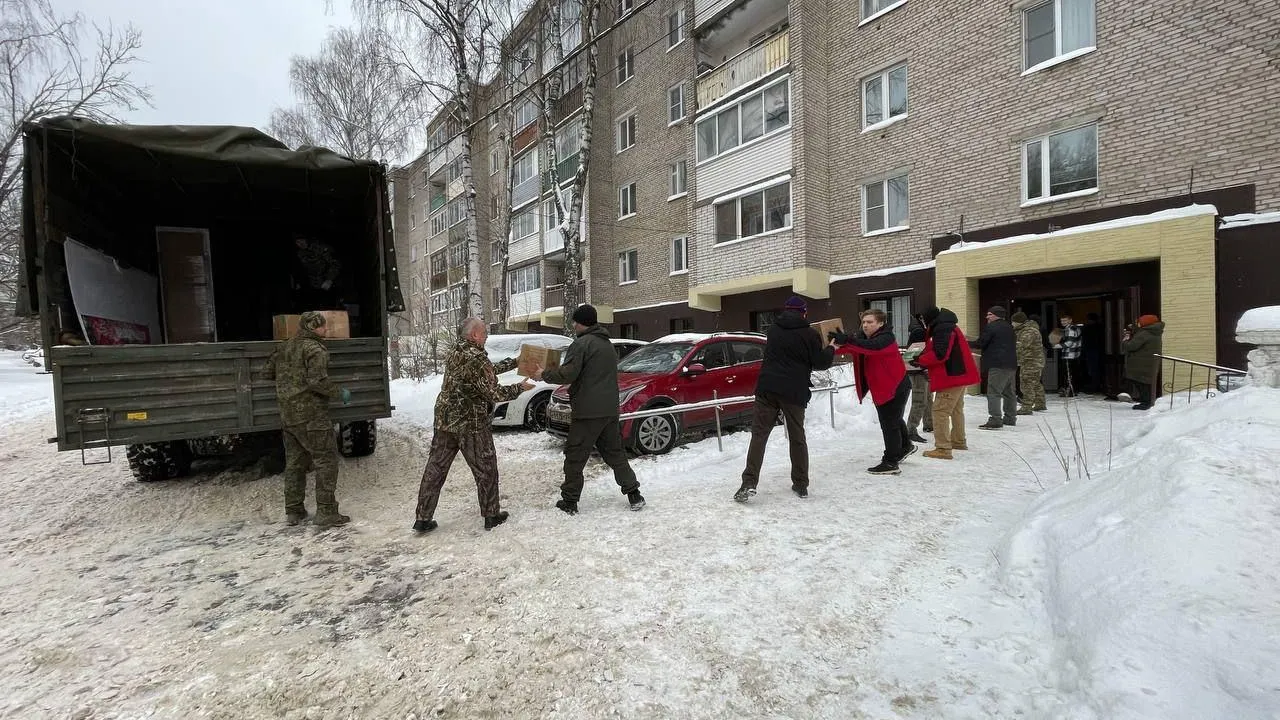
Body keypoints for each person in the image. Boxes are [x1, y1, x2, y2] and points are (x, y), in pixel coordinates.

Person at [414, 318, 534, 533]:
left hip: (445, 420)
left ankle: (423, 518)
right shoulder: (477, 357)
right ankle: (491, 515)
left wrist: (515, 362)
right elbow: (493, 392)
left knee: (435, 469)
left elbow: (482, 374)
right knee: (486, 469)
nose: (487, 335)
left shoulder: (456, 350)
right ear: (475, 335)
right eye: (484, 332)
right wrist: (521, 387)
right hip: (471, 423)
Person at [532, 304, 645, 514]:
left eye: (575, 321)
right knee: (615, 453)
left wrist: (544, 374)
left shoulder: (582, 344)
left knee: (575, 456)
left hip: (587, 412)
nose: (573, 325)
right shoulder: (607, 344)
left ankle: (569, 501)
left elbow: (569, 374)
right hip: (610, 410)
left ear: (583, 322)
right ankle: (634, 494)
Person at [734, 295, 835, 501]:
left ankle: (748, 483)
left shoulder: (773, 330)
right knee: (797, 437)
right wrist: (832, 347)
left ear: (785, 310)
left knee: (759, 436)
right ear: (804, 312)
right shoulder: (810, 334)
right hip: (793, 391)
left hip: (767, 388)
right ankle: (800, 484)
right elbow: (820, 362)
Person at [263, 311, 353, 526]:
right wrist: (338, 392)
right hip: (312, 416)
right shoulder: (315, 349)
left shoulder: (283, 347)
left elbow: (267, 373)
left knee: (295, 463)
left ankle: (294, 511)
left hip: (288, 416)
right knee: (326, 461)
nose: (326, 330)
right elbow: (316, 381)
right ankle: (327, 512)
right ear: (314, 328)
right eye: (323, 326)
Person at [831, 309, 913, 475]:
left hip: (894, 387)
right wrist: (832, 346)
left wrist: (847, 339)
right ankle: (905, 447)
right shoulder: (865, 339)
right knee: (894, 420)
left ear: (881, 323)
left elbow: (871, 348)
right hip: (884, 387)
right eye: (864, 322)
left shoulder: (886, 338)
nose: (866, 325)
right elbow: (856, 348)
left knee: (889, 424)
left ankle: (890, 462)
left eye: (870, 322)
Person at [912, 306, 979, 460]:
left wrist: (920, 360)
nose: (922, 322)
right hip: (959, 375)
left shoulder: (942, 328)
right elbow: (938, 349)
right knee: (956, 409)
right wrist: (922, 357)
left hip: (951, 376)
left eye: (922, 319)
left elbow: (940, 354)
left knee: (940, 411)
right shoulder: (947, 325)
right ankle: (958, 441)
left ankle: (943, 448)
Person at [972, 305, 1018, 430]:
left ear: (996, 315)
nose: (987, 317)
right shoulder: (1009, 327)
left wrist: (965, 342)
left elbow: (980, 343)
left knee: (993, 392)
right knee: (1009, 392)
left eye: (989, 314)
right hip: (1011, 364)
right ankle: (1010, 417)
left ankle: (995, 419)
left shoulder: (991, 327)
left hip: (997, 365)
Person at [1122, 314, 1164, 410]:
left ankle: (1145, 403)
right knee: (1144, 383)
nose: (1138, 324)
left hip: (1140, 364)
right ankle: (1146, 401)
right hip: (1149, 363)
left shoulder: (1145, 333)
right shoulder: (1154, 331)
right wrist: (1135, 329)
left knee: (1140, 382)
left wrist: (1125, 340)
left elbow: (1131, 346)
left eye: (1139, 322)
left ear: (1145, 323)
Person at [292, 235, 342, 310]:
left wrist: (329, 279)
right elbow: (300, 269)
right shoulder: (300, 253)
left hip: (328, 284)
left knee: (329, 308)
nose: (300, 244)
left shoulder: (321, 247)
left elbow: (335, 264)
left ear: (307, 239)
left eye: (302, 240)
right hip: (313, 286)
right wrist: (299, 282)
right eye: (297, 242)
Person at [905, 314, 933, 443]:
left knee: (927, 398)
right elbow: (911, 356)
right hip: (917, 371)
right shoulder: (919, 332)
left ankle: (929, 424)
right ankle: (911, 429)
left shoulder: (920, 330)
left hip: (919, 369)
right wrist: (923, 367)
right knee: (920, 400)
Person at [1012, 311, 1047, 414]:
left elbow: (1021, 345)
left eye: (1013, 322)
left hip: (1031, 361)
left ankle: (1026, 407)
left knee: (1026, 384)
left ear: (1018, 322)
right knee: (1035, 383)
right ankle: (1040, 404)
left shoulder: (1029, 331)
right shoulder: (1025, 329)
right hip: (1032, 361)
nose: (1012, 324)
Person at [1057, 314, 1083, 397]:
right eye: (1061, 321)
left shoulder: (1070, 329)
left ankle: (1069, 391)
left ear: (1070, 320)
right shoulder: (1076, 328)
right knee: (1074, 373)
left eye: (1064, 320)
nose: (1062, 322)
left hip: (1068, 355)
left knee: (1068, 374)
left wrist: (1057, 346)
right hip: (1075, 355)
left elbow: (1069, 343)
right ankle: (1074, 390)